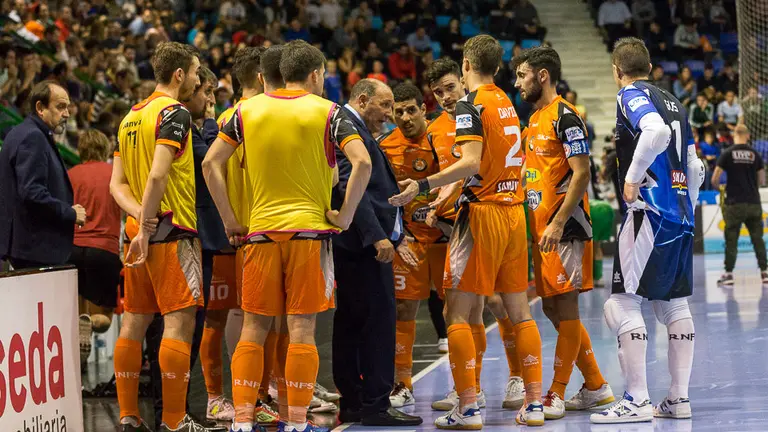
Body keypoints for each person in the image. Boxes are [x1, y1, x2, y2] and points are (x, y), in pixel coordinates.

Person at [203, 40, 372, 432]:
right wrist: (345, 215)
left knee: (253, 329)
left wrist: (230, 218)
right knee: (301, 331)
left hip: (259, 234)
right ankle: (296, 423)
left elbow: (212, 163)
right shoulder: (328, 112)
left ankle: (243, 422)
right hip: (308, 236)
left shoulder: (244, 111)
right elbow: (361, 162)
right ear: (315, 74)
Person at [390, 34, 544, 428]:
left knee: (456, 312)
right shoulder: (507, 102)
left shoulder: (469, 104)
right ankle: (534, 402)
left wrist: (424, 186)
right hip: (513, 212)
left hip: (481, 214)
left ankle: (469, 407)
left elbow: (471, 163)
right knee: (519, 311)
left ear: (466, 65)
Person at [591, 37, 704, 424]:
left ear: (617, 70)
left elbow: (654, 133)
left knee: (621, 303)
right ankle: (678, 399)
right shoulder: (674, 101)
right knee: (673, 305)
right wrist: (685, 203)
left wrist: (632, 179)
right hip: (681, 215)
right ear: (651, 66)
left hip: (649, 212)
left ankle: (636, 399)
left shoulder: (630, 95)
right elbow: (695, 167)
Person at [512, 46, 614, 420]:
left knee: (566, 309)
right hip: (543, 230)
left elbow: (582, 172)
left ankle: (555, 393)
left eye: (522, 75)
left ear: (542, 75)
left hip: (565, 228)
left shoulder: (566, 116)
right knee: (554, 309)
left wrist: (556, 222)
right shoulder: (536, 118)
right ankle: (596, 385)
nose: (518, 82)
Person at [109, 41, 206, 432]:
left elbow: (117, 185)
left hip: (139, 231)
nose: (198, 79)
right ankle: (174, 420)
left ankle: (129, 415)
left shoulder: (129, 118)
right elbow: (157, 175)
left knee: (134, 323)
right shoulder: (174, 113)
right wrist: (149, 225)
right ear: (180, 74)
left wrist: (137, 222)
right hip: (170, 230)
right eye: (196, 72)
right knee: (178, 325)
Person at [423, 58, 528, 414]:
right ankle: (470, 387)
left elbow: (473, 167)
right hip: (453, 223)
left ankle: (512, 378)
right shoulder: (434, 128)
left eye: (450, 88)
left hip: (484, 216)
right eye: (438, 93)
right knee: (468, 310)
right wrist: (437, 203)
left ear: (463, 77)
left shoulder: (481, 109)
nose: (445, 97)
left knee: (496, 302)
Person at [330, 78, 422, 427]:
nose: (390, 114)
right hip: (362, 246)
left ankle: (355, 401)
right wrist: (377, 236)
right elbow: (347, 183)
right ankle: (374, 404)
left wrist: (391, 189)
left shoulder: (351, 125)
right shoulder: (346, 126)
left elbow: (365, 184)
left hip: (356, 243)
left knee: (353, 322)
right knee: (377, 323)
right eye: (385, 106)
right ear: (364, 100)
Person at [378, 83, 445, 409]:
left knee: (462, 310)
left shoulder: (440, 138)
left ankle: (467, 387)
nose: (404, 117)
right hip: (409, 241)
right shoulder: (386, 146)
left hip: (445, 236)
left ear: (423, 108)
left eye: (411, 110)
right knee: (404, 310)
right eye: (398, 111)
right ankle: (402, 383)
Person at [0, 80, 85, 269]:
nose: (67, 114)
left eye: (68, 107)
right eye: (60, 107)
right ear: (40, 107)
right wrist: (69, 212)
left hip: (30, 247)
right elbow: (32, 192)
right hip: (34, 248)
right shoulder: (33, 137)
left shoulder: (25, 132)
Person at [67, 129, 121, 365]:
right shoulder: (114, 173)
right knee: (104, 318)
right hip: (104, 250)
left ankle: (76, 378)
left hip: (73, 250)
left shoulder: (70, 175)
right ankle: (90, 323)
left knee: (78, 316)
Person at [711, 125, 768, 285]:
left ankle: (728, 274)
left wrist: (721, 188)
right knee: (758, 239)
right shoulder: (755, 154)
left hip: (734, 204)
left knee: (731, 240)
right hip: (753, 203)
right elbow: (762, 180)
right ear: (748, 136)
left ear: (734, 135)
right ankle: (765, 273)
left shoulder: (727, 153)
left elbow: (715, 178)